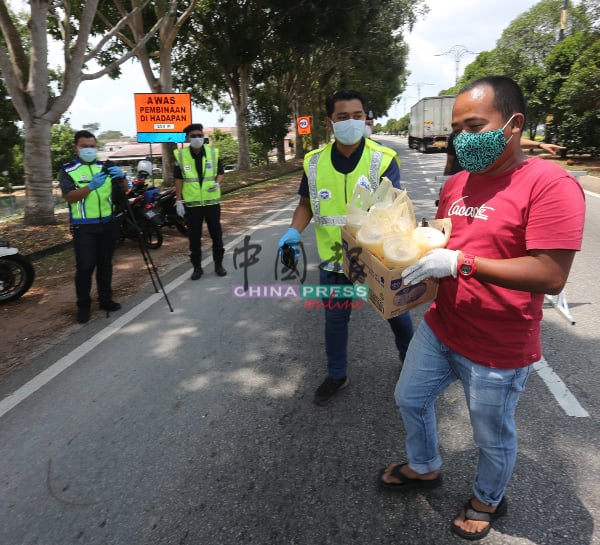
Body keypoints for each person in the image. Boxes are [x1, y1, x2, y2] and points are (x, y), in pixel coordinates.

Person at [379, 76, 585, 541]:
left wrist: (461, 263)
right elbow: (447, 240)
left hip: (497, 346)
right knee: (409, 398)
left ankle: (488, 498)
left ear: (514, 125)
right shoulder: (456, 184)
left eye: (475, 125)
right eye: (458, 129)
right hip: (441, 327)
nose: (463, 138)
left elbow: (550, 275)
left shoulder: (551, 185)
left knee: (491, 437)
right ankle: (425, 466)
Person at [278, 89, 414, 406]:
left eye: (357, 115)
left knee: (396, 315)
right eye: (342, 117)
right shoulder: (313, 163)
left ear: (366, 118)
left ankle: (410, 363)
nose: (351, 122)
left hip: (376, 260)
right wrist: (292, 232)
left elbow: (390, 208)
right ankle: (337, 374)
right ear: (330, 122)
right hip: (334, 264)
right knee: (335, 322)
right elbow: (305, 205)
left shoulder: (383, 159)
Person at [58, 130, 126, 324]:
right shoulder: (68, 170)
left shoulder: (104, 167)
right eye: (84, 146)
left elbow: (124, 192)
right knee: (86, 267)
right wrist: (90, 187)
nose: (89, 149)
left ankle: (105, 300)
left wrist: (122, 178)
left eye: (92, 146)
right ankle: (83, 306)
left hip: (108, 223)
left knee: (106, 265)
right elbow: (69, 196)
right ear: (76, 148)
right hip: (84, 227)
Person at [174, 123, 227, 280]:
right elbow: (178, 179)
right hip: (192, 205)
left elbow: (221, 172)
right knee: (194, 238)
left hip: (212, 202)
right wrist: (178, 201)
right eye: (193, 136)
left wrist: (218, 182)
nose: (197, 138)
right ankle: (197, 268)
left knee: (216, 235)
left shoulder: (213, 153)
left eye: (199, 135)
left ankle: (219, 265)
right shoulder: (181, 155)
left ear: (203, 136)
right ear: (187, 138)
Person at [444, 130, 566, 175]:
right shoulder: (456, 136)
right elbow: (449, 162)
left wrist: (540, 144)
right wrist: (445, 184)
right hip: (459, 180)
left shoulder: (484, 133)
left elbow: (510, 140)